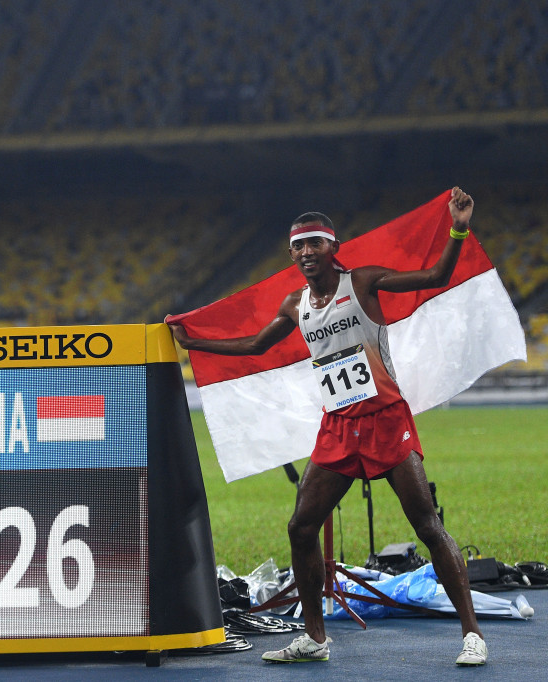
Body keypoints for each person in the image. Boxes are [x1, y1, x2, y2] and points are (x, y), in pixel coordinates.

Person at [166, 187, 487, 666]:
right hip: (338, 426)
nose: (305, 251)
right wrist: (196, 343)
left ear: (333, 246)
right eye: (297, 245)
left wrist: (458, 226)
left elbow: (437, 276)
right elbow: (256, 346)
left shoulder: (362, 282)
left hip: (385, 419)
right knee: (301, 526)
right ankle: (314, 639)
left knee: (426, 523)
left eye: (314, 242)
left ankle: (472, 635)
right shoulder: (296, 305)